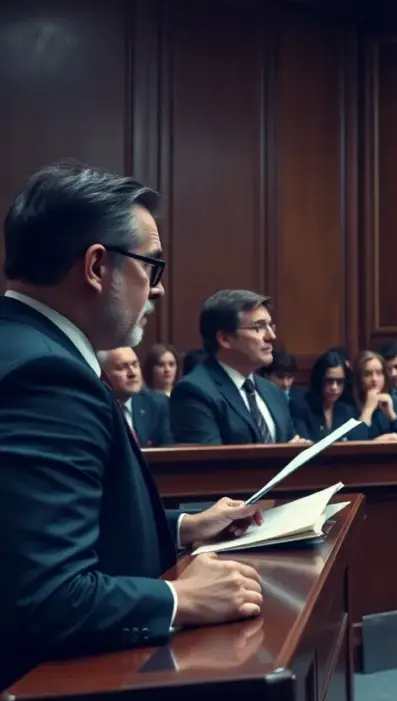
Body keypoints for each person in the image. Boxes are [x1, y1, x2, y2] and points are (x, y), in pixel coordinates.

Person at [0, 164, 264, 689]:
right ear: (97, 266)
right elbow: (48, 597)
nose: (159, 291)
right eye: (152, 267)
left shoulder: (21, 345)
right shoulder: (47, 378)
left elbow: (33, 530)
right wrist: (180, 598)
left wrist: (183, 527)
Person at [169, 290, 302, 445]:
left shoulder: (273, 392)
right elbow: (208, 459)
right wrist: (284, 456)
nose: (271, 336)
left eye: (270, 326)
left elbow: (290, 443)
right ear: (225, 339)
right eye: (258, 327)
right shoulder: (194, 391)